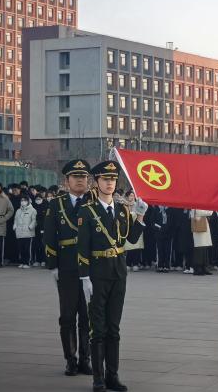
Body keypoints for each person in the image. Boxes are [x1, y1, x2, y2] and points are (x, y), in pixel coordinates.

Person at [77, 160, 147, 392]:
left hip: (118, 271)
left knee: (114, 328)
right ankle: (98, 379)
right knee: (98, 329)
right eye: (106, 179)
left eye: (113, 180)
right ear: (96, 181)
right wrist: (84, 277)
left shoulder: (122, 210)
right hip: (97, 273)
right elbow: (82, 247)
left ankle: (112, 376)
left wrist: (140, 216)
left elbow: (130, 239)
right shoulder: (87, 211)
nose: (110, 183)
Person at [44, 159, 93, 377]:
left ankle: (85, 359)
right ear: (67, 180)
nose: (80, 180)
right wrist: (53, 265)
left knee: (87, 317)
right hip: (67, 266)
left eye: (83, 177)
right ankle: (70, 360)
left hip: (90, 267)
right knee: (67, 316)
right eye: (76, 177)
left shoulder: (94, 202)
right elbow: (48, 235)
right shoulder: (57, 204)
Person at [123, 190, 144, 272]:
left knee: (137, 247)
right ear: (127, 197)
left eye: (133, 195)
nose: (132, 197)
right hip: (128, 229)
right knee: (128, 247)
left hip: (137, 228)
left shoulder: (137, 205)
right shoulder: (124, 206)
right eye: (130, 195)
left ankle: (135, 263)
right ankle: (128, 263)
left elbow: (141, 216)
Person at [14, 195, 37, 268]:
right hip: (19, 232)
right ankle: (22, 262)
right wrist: (15, 226)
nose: (23, 202)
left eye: (24, 200)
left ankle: (27, 262)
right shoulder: (18, 210)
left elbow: (34, 220)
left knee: (27, 249)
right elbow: (15, 219)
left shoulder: (32, 210)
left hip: (28, 233)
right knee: (21, 249)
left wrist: (30, 227)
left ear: (28, 201)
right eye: (22, 200)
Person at [190, 209, 213, 276]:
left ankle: (204, 267)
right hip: (198, 227)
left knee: (204, 249)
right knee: (199, 249)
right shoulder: (195, 205)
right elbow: (200, 212)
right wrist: (210, 210)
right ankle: (198, 269)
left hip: (203, 226)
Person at [31, 188, 48, 267]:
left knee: (43, 245)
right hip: (35, 228)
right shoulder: (33, 207)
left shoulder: (46, 206)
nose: (38, 200)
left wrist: (43, 228)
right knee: (36, 244)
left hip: (43, 228)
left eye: (39, 199)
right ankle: (37, 260)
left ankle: (43, 260)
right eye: (36, 199)